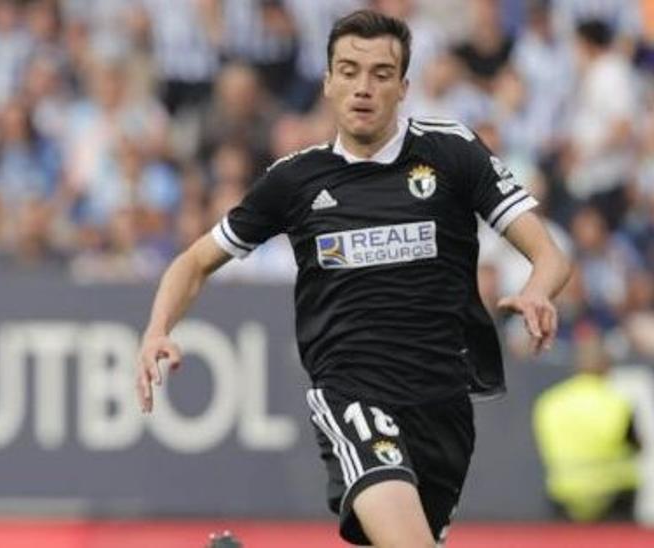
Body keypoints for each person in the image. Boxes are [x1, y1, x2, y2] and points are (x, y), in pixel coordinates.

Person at [136, 10, 571, 547]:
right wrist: (158, 328)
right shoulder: (295, 180)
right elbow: (194, 261)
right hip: (353, 394)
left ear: (404, 87)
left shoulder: (452, 152)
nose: (363, 87)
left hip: (443, 406)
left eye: (381, 74)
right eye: (348, 70)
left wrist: (537, 290)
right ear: (327, 82)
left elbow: (548, 252)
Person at [534, 324, 641, 522]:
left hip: (565, 492)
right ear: (606, 366)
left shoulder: (550, 401)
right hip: (613, 493)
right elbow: (635, 445)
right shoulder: (617, 402)